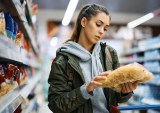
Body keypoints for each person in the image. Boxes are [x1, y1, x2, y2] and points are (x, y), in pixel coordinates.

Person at [48, 4, 138, 113]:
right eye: (98, 24)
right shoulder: (63, 60)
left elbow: (116, 98)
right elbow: (55, 104)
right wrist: (86, 89)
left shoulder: (109, 54)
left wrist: (125, 91)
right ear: (84, 22)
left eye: (105, 28)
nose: (102, 31)